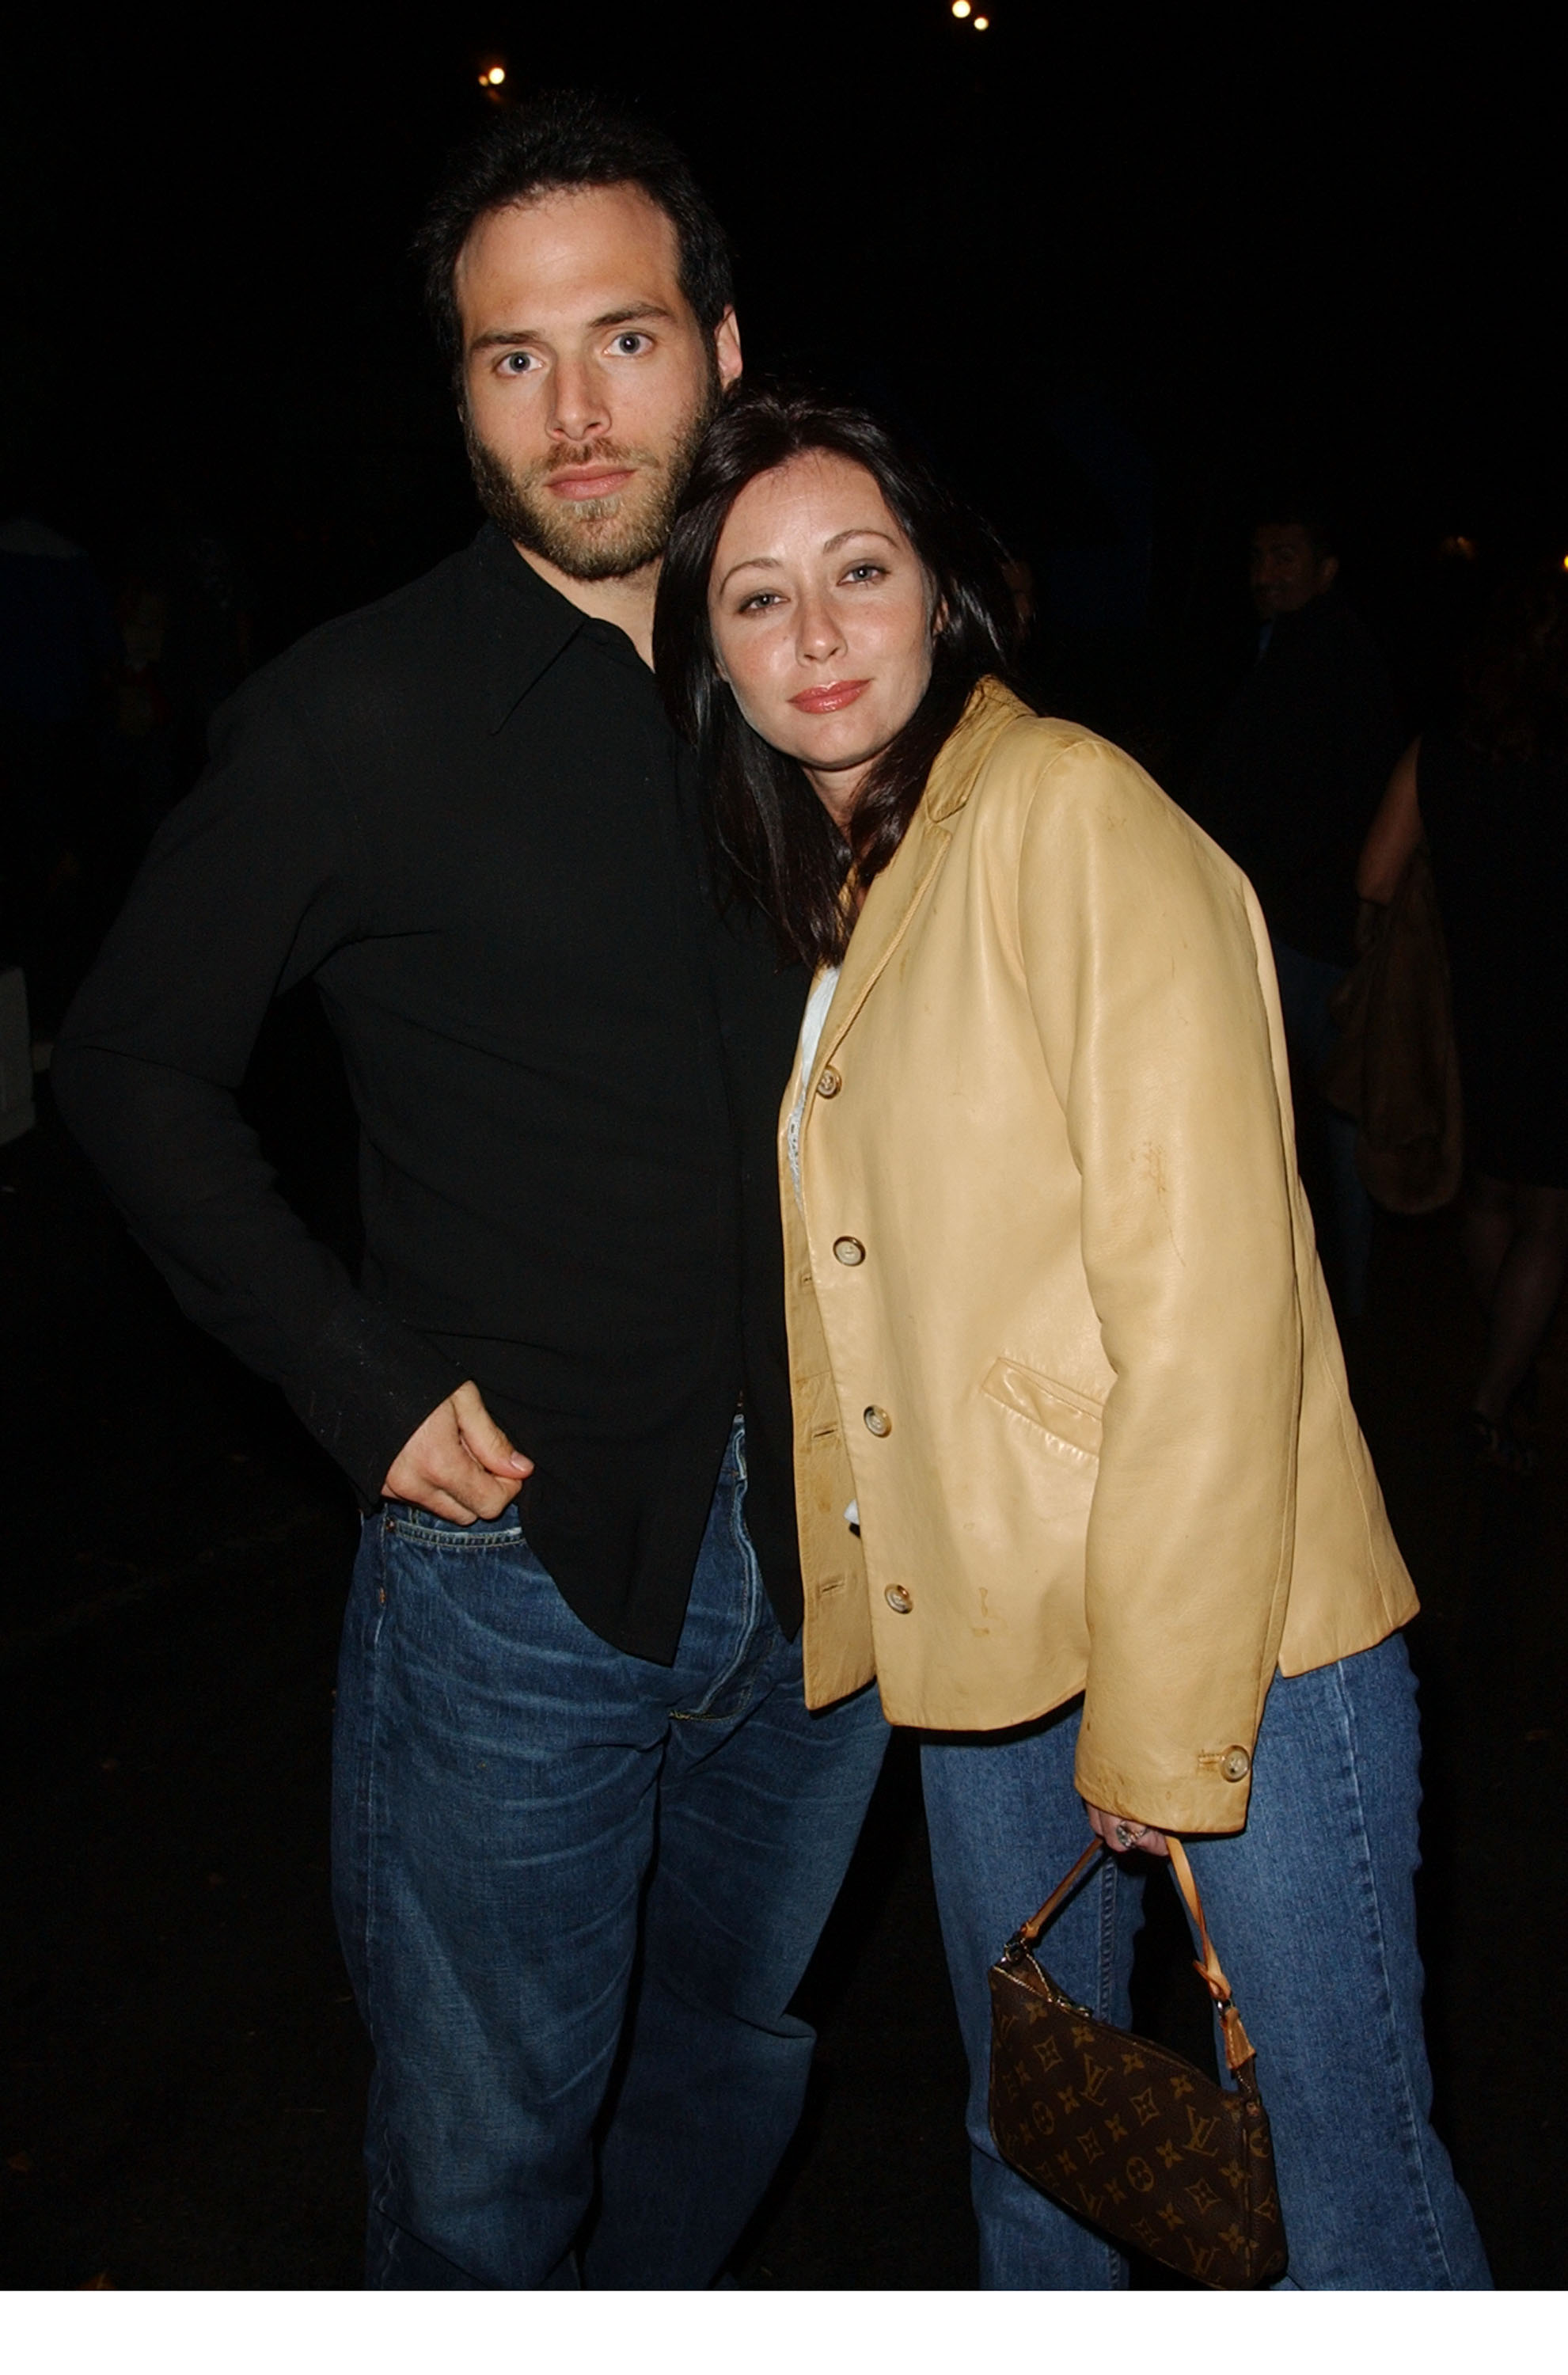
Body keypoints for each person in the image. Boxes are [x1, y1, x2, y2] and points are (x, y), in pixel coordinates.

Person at [51, 100, 887, 2290]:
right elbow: (131, 1059)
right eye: (513, 358)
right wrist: (353, 1376)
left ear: (721, 343)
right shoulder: (351, 717)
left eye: (621, 338)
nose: (576, 407)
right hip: (518, 1575)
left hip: (838, 1553)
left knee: (726, 2061)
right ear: (458, 393)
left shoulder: (818, 666)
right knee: (490, 2152)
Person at [654, 390, 1490, 2289]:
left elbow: (1211, 1299)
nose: (817, 635)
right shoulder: (849, 874)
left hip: (1229, 1640)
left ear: (945, 590)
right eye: (757, 598)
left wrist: (1160, 1710)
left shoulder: (1067, 813)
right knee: (1041, 2141)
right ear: (708, 651)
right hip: (992, 1649)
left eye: (860, 572)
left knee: (1345, 2191)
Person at [1357, 564, 1568, 1475]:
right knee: (1551, 1217)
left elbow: (1372, 878)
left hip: (1471, 1001)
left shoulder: (1436, 751)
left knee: (1485, 1197)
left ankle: (1504, 1366)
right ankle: (1492, 1396)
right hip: (1560, 1007)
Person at [1186, 509, 1405, 1317]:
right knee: (1287, 1121)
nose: (1264, 572)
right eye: (1257, 556)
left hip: (1304, 932)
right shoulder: (1277, 648)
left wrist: (1253, 874)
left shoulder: (1334, 656)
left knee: (1309, 1122)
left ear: (1326, 567)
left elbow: (1334, 799)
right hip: (1282, 921)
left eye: (1283, 555)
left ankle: (1325, 1310)